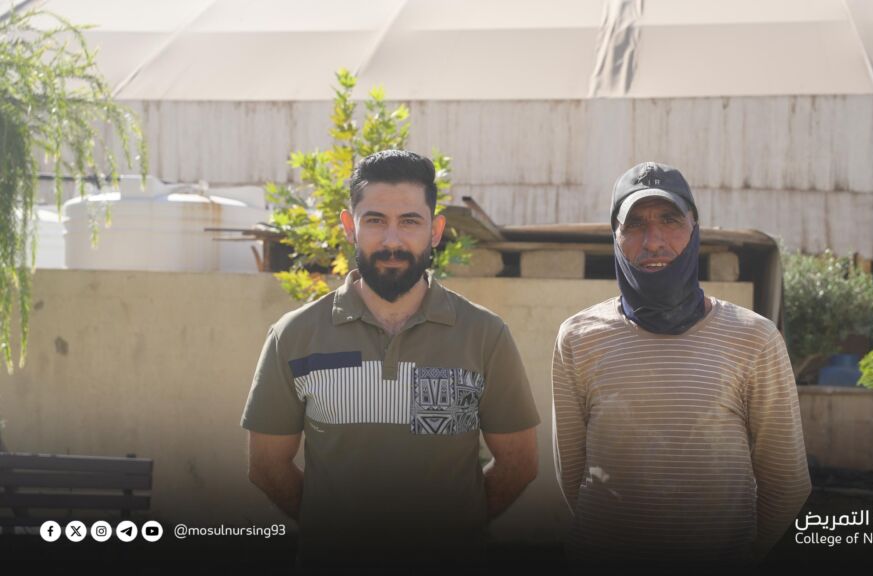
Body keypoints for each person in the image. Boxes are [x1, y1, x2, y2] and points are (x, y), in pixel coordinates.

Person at [242, 150, 540, 571]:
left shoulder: (485, 335)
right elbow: (266, 466)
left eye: (410, 221)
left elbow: (519, 464)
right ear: (350, 227)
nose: (392, 241)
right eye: (375, 220)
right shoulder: (293, 336)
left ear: (436, 231)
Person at [552, 161, 811, 570]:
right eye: (635, 224)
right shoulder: (579, 337)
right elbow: (572, 474)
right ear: (615, 236)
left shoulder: (754, 339)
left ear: (695, 229)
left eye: (670, 220)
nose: (653, 241)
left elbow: (786, 482)